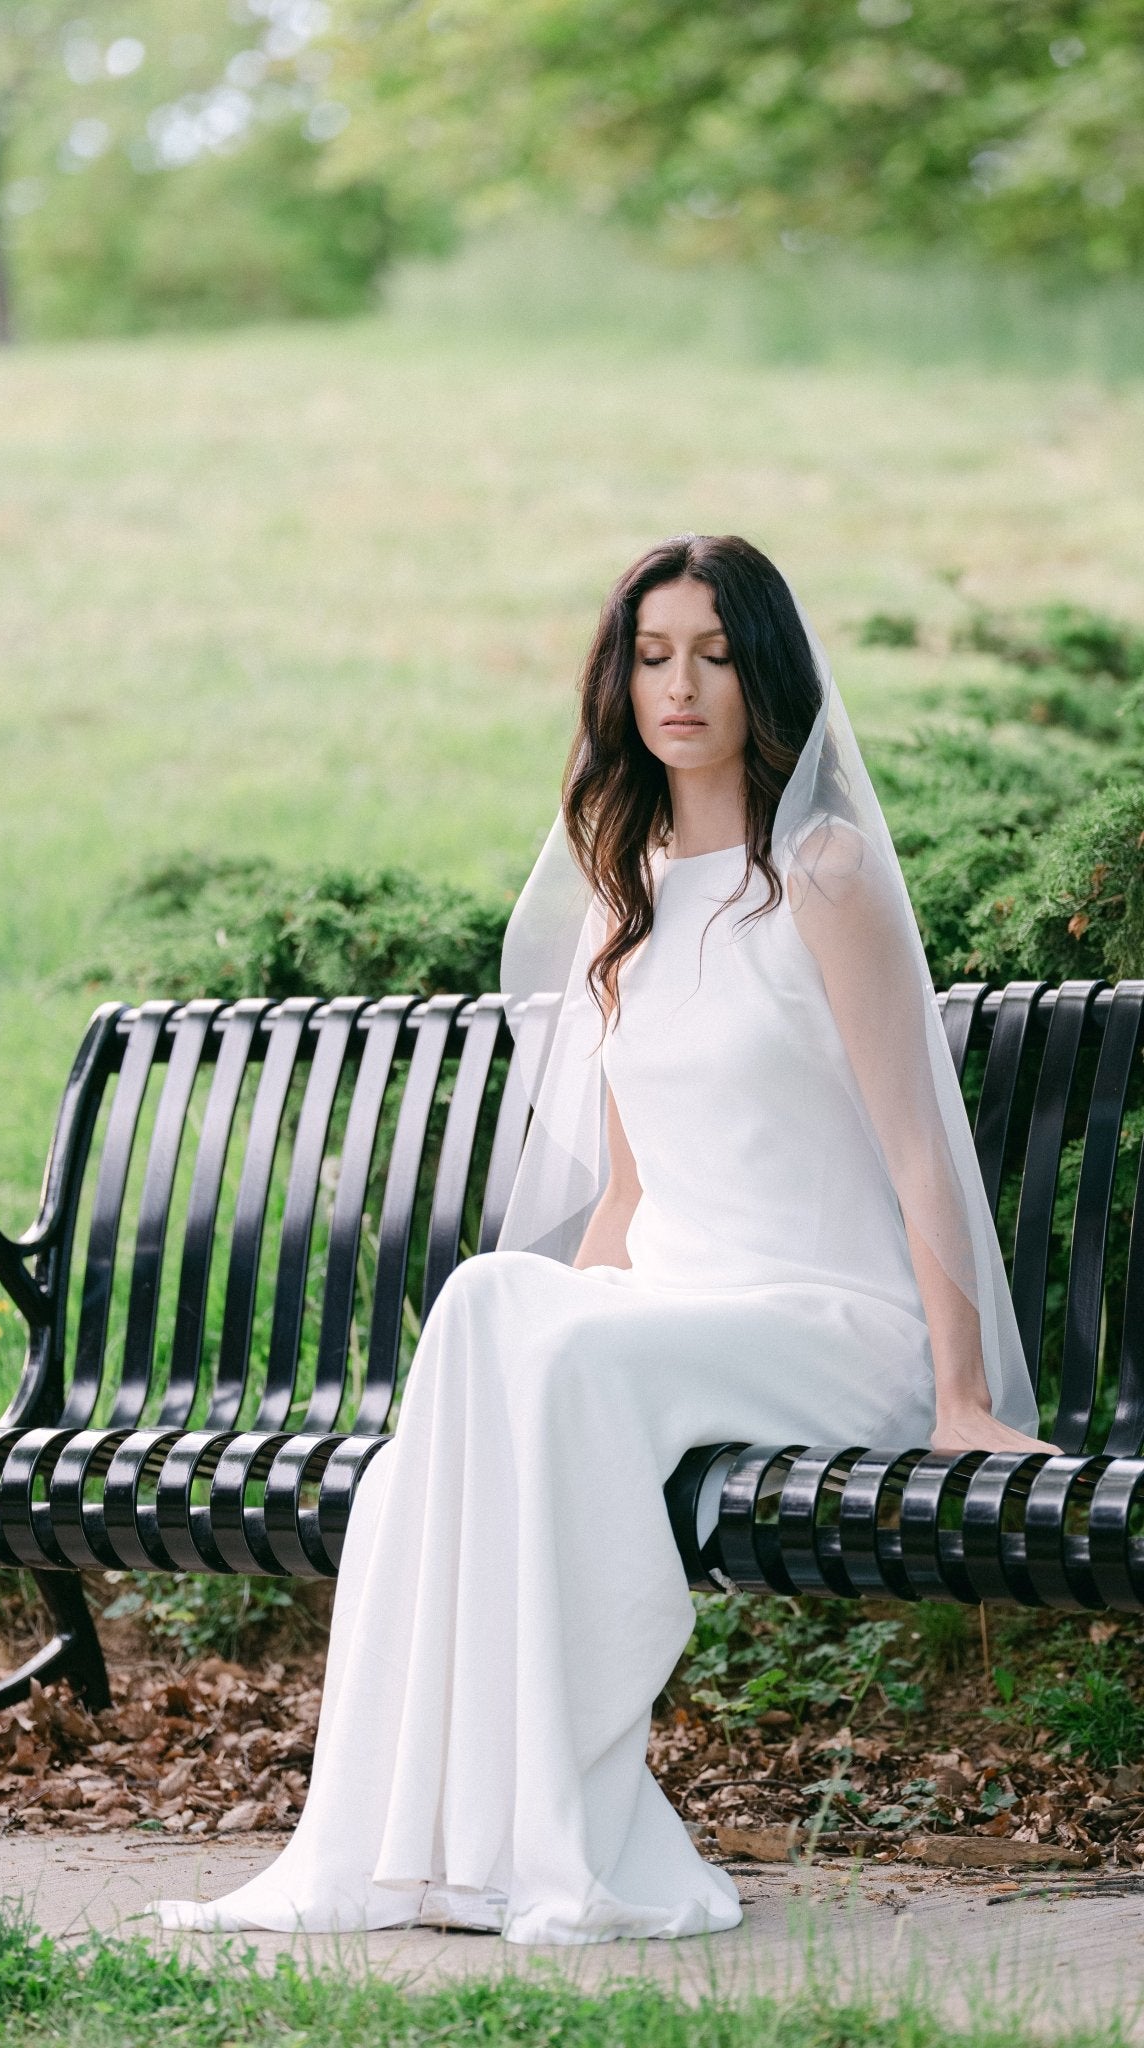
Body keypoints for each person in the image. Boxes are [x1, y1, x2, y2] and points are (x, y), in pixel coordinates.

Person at [153, 534, 1052, 1945]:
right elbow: (628, 1197)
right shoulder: (623, 886)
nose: (679, 686)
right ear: (618, 681)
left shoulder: (821, 872)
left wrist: (959, 1395)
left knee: (554, 1359)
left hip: (829, 1320)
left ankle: (575, 1842)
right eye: (650, 656)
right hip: (678, 1309)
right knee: (492, 1306)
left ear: (764, 673)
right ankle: (418, 1855)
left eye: (711, 653)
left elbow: (916, 1147)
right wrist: (543, 1326)